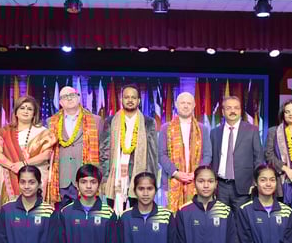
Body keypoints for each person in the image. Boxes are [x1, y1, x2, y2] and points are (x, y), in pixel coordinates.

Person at [101, 84, 159, 215]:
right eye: (126, 97)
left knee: (136, 216)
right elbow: (104, 152)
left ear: (139, 100)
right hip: (115, 177)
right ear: (121, 99)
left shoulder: (148, 122)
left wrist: (152, 180)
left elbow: (152, 154)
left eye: (133, 97)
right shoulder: (110, 121)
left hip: (139, 177)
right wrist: (105, 178)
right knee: (113, 215)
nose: (130, 100)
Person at [45, 86, 103, 206]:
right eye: (65, 97)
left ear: (78, 97)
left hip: (86, 179)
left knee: (86, 215)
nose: (69, 98)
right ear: (60, 102)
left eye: (72, 95)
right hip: (61, 179)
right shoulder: (51, 122)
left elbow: (103, 151)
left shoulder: (95, 120)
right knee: (61, 215)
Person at [0, 96, 56, 205]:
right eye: (22, 108)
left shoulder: (43, 132)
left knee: (35, 207)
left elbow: (46, 155)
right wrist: (13, 166)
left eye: (29, 109)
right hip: (10, 173)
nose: (26, 111)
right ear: (16, 112)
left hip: (36, 172)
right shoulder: (4, 132)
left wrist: (24, 164)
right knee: (11, 208)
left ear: (34, 113)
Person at [158, 91, 212, 212]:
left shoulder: (202, 129)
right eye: (182, 103)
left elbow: (207, 155)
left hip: (196, 181)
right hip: (171, 181)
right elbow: (161, 155)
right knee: (172, 218)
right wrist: (176, 173)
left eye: (189, 103)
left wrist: (196, 173)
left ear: (194, 106)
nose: (186, 106)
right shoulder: (165, 128)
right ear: (176, 105)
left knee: (195, 217)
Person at [210, 96, 265, 214]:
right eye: (229, 108)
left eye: (236, 108)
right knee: (220, 219)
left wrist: (255, 182)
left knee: (241, 220)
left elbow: (259, 159)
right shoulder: (215, 132)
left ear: (240, 111)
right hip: (220, 187)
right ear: (223, 111)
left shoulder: (252, 130)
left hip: (244, 187)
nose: (233, 111)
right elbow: (212, 159)